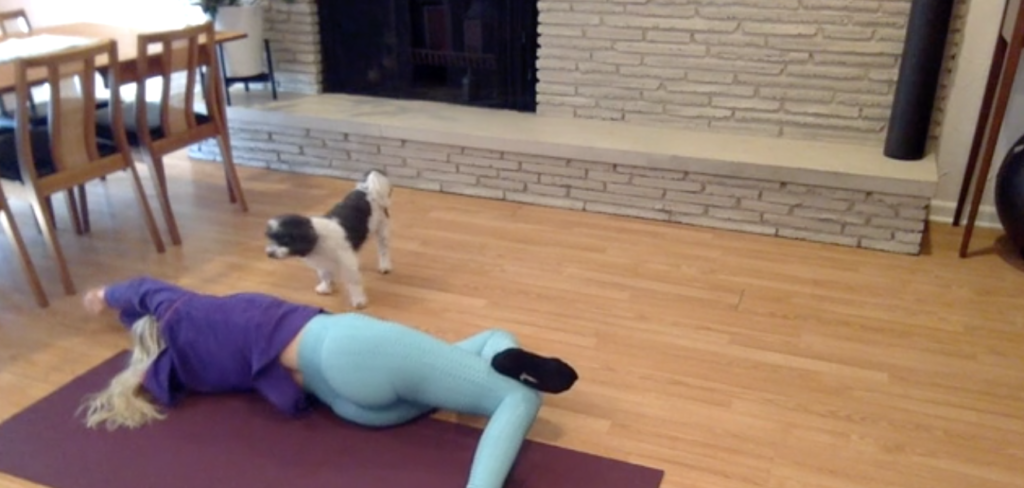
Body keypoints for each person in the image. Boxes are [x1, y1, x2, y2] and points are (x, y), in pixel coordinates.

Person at [79, 276, 578, 488]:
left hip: (346, 404)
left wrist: (137, 369)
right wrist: (104, 294)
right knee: (517, 396)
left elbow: (150, 373)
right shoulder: (181, 310)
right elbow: (142, 290)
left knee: (481, 347)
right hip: (347, 346)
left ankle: (502, 353)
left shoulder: (183, 371)